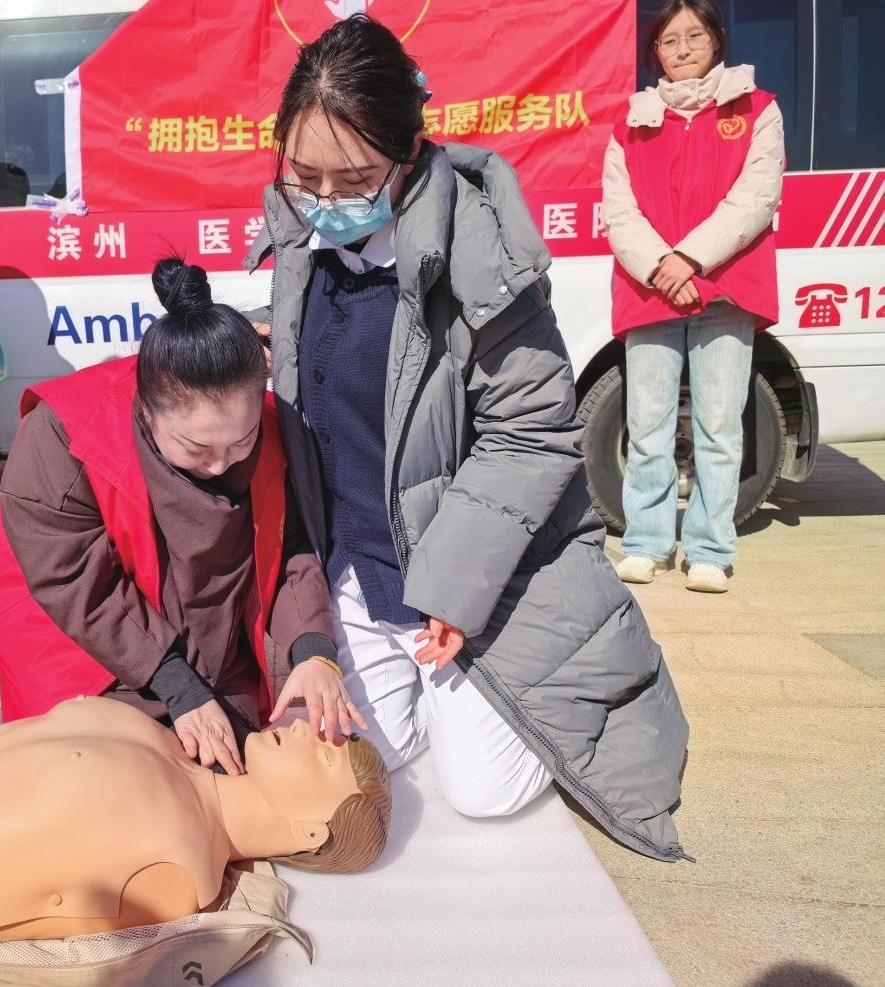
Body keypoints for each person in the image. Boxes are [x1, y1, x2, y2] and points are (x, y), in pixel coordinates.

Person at [247, 15, 688, 860]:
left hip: (472, 582)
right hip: (364, 572)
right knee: (367, 752)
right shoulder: (301, 246)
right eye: (305, 177)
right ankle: (428, 689)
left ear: (408, 157)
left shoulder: (481, 254)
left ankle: (512, 683)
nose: (327, 202)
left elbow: (533, 431)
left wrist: (453, 588)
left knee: (480, 794)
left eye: (355, 179)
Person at [0, 258, 365, 776]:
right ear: (145, 409)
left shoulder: (274, 431)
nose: (219, 463)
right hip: (91, 652)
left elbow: (293, 545)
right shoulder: (64, 433)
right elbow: (74, 582)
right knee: (111, 782)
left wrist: (315, 652)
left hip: (215, 649)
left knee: (241, 769)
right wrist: (178, 688)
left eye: (240, 442)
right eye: (195, 448)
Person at [0, 696, 390, 957]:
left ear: (309, 833)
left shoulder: (176, 873)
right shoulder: (167, 739)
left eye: (324, 757)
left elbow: (16, 919)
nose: (305, 730)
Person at [603, 0, 783, 594]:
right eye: (669, 40)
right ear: (654, 51)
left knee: (719, 427)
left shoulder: (756, 109)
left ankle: (709, 548)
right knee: (647, 425)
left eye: (694, 36)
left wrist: (689, 260)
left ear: (717, 39)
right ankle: (647, 544)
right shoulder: (630, 121)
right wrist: (661, 266)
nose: (681, 49)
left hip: (725, 289)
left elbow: (755, 198)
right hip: (652, 290)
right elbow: (619, 211)